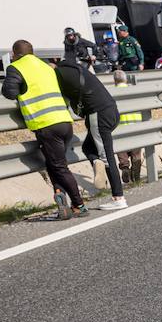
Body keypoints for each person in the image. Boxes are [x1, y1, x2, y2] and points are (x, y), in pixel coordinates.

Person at [1, 39, 87, 219]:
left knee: (60, 167)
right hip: (64, 120)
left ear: (15, 53)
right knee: (53, 164)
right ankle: (60, 197)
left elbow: (10, 92)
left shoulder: (16, 67)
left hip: (46, 124)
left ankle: (79, 205)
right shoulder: (46, 66)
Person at [55, 55, 125, 208]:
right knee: (88, 147)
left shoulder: (59, 75)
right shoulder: (77, 69)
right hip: (112, 110)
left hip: (98, 115)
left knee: (106, 156)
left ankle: (118, 198)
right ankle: (96, 162)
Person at [112, 69, 146, 196]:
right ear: (125, 79)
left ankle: (125, 167)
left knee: (122, 152)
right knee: (136, 153)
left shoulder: (111, 93)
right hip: (135, 125)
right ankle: (136, 170)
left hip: (120, 128)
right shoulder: (133, 90)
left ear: (114, 81)